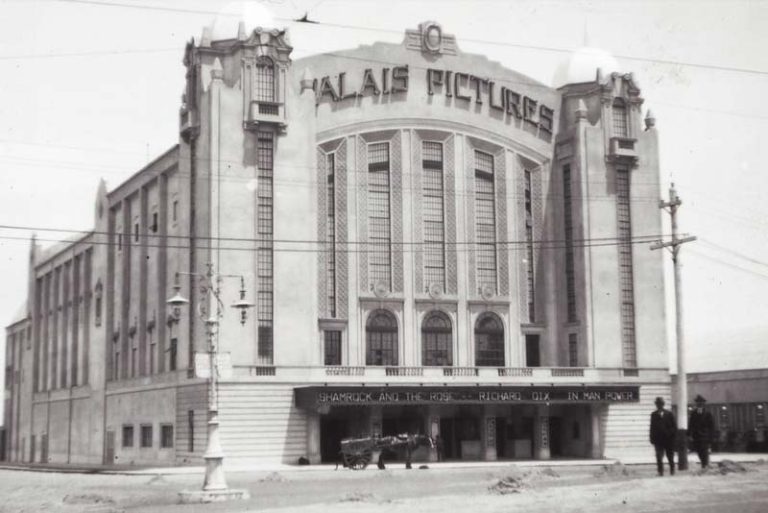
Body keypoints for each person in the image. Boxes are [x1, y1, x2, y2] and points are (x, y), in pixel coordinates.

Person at [649, 396, 677, 476]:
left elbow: (674, 427)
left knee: (670, 456)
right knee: (659, 456)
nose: (659, 405)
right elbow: (652, 427)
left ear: (663, 404)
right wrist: (651, 438)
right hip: (658, 440)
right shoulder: (653, 415)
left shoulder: (669, 414)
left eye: (661, 404)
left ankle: (672, 470)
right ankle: (660, 471)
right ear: (656, 405)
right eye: (658, 404)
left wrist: (671, 435)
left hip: (668, 440)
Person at [689, 394, 715, 468]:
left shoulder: (708, 414)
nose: (699, 404)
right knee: (699, 452)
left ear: (703, 404)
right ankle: (704, 464)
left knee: (705, 452)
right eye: (698, 402)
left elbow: (711, 426)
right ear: (696, 404)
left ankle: (705, 465)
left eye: (701, 402)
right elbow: (691, 424)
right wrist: (689, 434)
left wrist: (711, 437)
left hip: (705, 437)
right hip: (696, 437)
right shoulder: (693, 413)